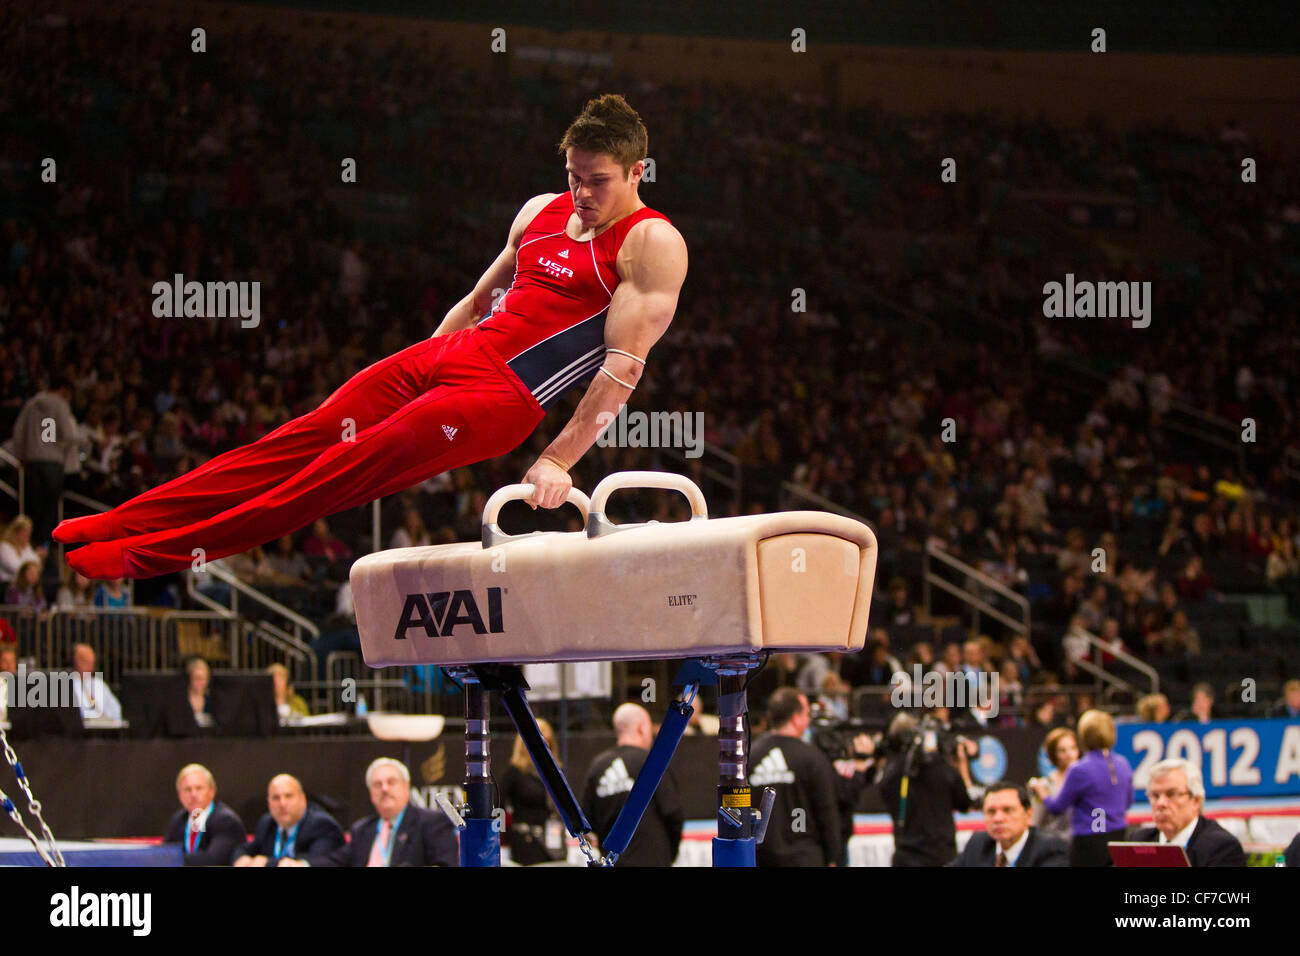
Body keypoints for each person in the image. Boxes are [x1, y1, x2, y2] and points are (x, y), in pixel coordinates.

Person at [56, 94, 689, 581]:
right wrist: (428, 361)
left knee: (331, 473)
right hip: (453, 356)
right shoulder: (541, 210)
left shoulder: (650, 243)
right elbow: (477, 302)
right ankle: (121, 519)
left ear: (638, 171)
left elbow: (620, 370)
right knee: (296, 438)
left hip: (501, 398)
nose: (581, 192)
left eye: (597, 180)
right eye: (574, 175)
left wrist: (558, 459)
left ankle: (146, 556)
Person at [749, 688, 844, 866]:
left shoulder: (751, 756)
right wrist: (834, 857)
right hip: (804, 857)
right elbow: (827, 811)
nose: (809, 720)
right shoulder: (812, 757)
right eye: (807, 713)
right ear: (796, 717)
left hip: (760, 858)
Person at [581, 703, 684, 867]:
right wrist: (670, 855)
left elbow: (587, 822)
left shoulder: (598, 766)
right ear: (642, 728)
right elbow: (674, 815)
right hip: (653, 860)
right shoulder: (654, 763)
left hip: (613, 862)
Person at [1030, 709, 1133, 866]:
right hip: (1118, 836)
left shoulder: (1079, 769)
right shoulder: (1123, 763)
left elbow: (1057, 807)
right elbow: (1128, 802)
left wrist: (1042, 792)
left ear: (1083, 736)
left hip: (1088, 841)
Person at [878, 711, 976, 866]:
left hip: (907, 854)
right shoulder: (942, 769)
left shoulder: (892, 772)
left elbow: (886, 796)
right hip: (940, 855)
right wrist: (961, 767)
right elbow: (966, 804)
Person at [322, 758, 458, 867]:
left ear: (406, 787)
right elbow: (336, 861)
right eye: (377, 784)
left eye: (391, 782)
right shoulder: (362, 829)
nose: (384, 789)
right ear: (370, 793)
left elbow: (446, 863)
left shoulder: (432, 822)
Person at [1129, 758, 1246, 866]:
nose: (1160, 803)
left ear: (1195, 801)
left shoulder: (1222, 848)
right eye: (1155, 795)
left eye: (1171, 794)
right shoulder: (1139, 841)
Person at [11, 376, 79, 550]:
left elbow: (18, 433)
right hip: (52, 464)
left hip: (32, 462)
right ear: (64, 390)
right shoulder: (60, 405)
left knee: (33, 508)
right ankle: (43, 548)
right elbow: (69, 435)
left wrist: (21, 455)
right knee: (48, 511)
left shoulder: (32, 403)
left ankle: (28, 545)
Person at [232, 774, 345, 866]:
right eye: (276, 798)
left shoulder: (322, 824)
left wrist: (268, 863)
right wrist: (242, 858)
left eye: (288, 796)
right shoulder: (267, 823)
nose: (282, 803)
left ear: (303, 799)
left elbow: (315, 860)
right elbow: (246, 848)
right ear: (269, 803)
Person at [948, 782, 1068, 867]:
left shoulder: (1051, 849)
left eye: (1008, 810)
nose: (998, 819)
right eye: (991, 812)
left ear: (1028, 814)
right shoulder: (978, 843)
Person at [499, 718, 562, 864]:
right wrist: (504, 833)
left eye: (547, 743)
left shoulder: (555, 772)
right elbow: (498, 803)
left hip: (552, 838)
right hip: (525, 840)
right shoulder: (515, 772)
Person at [163, 764, 248, 866]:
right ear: (179, 795)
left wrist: (172, 860)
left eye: (199, 788)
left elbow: (212, 859)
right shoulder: (179, 819)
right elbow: (165, 852)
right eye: (187, 789)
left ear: (211, 791)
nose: (193, 794)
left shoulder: (226, 820)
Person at [1030, 726, 1079, 842]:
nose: (1069, 754)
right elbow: (1036, 822)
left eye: (1073, 748)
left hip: (1079, 846)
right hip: (1053, 846)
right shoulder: (1043, 785)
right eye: (1062, 750)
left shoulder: (1085, 782)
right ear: (1053, 754)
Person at [68, 642, 121, 721]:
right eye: (85, 662)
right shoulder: (67, 686)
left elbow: (116, 711)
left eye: (91, 663)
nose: (90, 667)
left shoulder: (99, 684)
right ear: (75, 662)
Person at [0, 516, 45, 585]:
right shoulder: (5, 547)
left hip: (26, 585)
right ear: (16, 532)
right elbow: (16, 568)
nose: (27, 537)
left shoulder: (27, 547)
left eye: (29, 534)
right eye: (24, 533)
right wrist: (35, 557)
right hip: (8, 586)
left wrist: (38, 558)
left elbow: (36, 566)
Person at [185, 657, 212, 727]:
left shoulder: (212, 700)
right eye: (197, 678)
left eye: (204, 679)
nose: (201, 682)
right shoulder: (181, 700)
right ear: (189, 678)